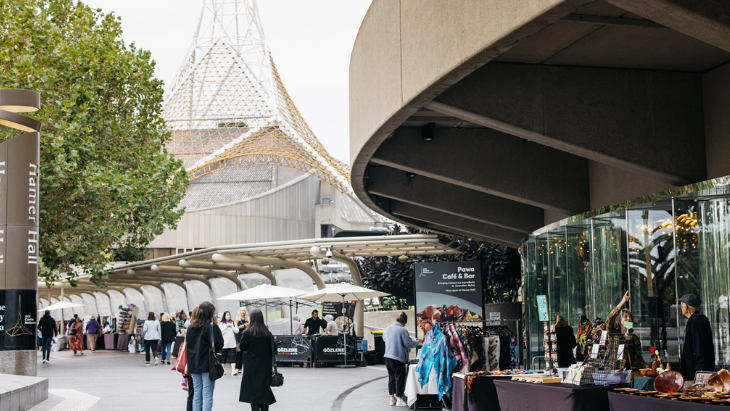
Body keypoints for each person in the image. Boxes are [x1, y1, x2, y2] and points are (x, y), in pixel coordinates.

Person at [186, 302, 224, 411]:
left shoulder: (190, 327)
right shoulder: (211, 326)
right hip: (207, 364)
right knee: (207, 394)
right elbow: (220, 343)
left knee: (197, 392)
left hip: (193, 364)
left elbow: (188, 344)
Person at [238, 309, 276, 411]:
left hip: (251, 367)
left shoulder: (248, 333)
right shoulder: (268, 333)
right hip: (265, 367)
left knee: (253, 393)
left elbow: (243, 347)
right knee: (264, 392)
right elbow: (274, 350)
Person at [607, 291, 649, 376]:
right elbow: (610, 318)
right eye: (625, 316)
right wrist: (622, 302)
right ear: (620, 320)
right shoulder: (613, 334)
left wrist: (649, 368)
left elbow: (639, 359)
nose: (628, 318)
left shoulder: (634, 338)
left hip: (632, 374)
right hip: (615, 373)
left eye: (630, 317)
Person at [383, 312, 418, 407]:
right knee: (399, 377)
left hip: (387, 357)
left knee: (391, 378)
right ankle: (399, 400)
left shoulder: (388, 328)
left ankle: (391, 399)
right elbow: (408, 344)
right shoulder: (402, 330)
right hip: (398, 358)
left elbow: (384, 339)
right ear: (404, 322)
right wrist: (416, 342)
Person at [679, 294, 715, 381]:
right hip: (694, 372)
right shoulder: (694, 320)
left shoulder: (697, 321)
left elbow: (701, 349)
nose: (681, 308)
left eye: (681, 305)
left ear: (686, 306)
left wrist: (700, 372)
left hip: (698, 373)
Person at [184, 307, 199, 411]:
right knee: (200, 391)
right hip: (201, 364)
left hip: (190, 363)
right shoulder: (206, 328)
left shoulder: (189, 328)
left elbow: (186, 345)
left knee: (191, 392)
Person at [219, 310, 239, 376]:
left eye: (229, 315)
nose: (228, 316)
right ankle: (223, 369)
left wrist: (231, 326)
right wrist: (226, 326)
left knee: (233, 356)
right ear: (224, 316)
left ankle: (233, 370)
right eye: (227, 315)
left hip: (232, 343)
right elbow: (220, 332)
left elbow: (237, 331)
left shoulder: (233, 323)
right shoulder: (222, 324)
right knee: (223, 357)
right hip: (224, 344)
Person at [235, 308, 249, 374]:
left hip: (246, 336)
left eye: (244, 311)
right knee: (239, 352)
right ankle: (239, 367)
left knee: (246, 352)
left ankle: (247, 366)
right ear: (239, 312)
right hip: (239, 336)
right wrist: (239, 327)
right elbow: (234, 328)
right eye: (242, 310)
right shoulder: (237, 319)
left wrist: (246, 326)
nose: (243, 312)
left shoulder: (247, 319)